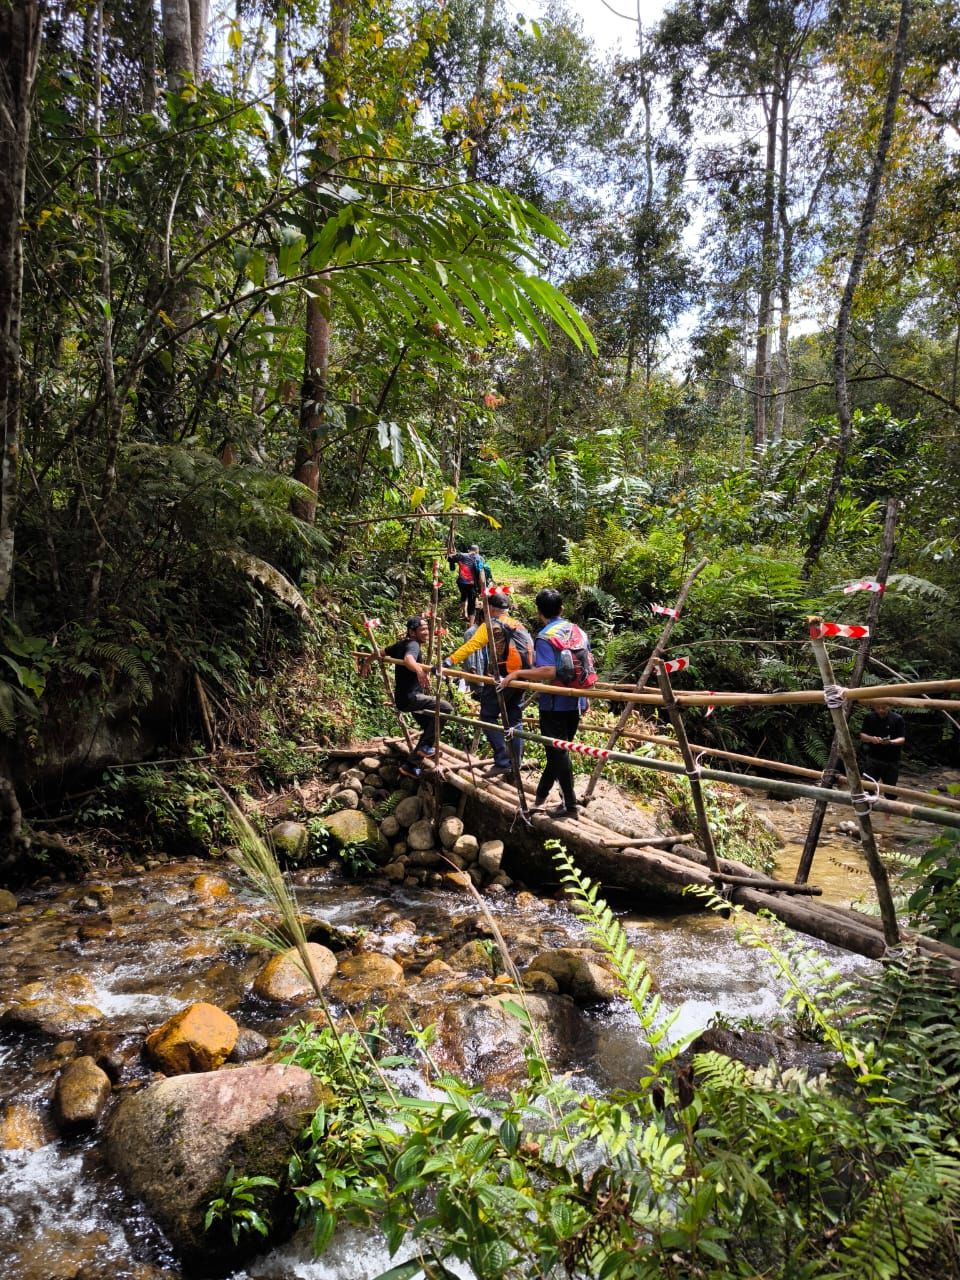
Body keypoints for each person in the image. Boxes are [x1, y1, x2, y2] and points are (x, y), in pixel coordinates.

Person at [501, 587, 591, 819]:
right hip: (575, 700)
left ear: (539, 611)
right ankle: (541, 798)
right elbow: (586, 665)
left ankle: (570, 806)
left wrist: (517, 674)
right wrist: (585, 697)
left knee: (558, 754)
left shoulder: (545, 637)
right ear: (562, 608)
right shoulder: (577, 631)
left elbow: (549, 671)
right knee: (558, 754)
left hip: (554, 704)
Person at [444, 592, 533, 780]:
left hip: (503, 678)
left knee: (487, 716)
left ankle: (502, 761)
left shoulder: (491, 625)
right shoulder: (518, 625)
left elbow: (471, 645)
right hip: (522, 678)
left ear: (490, 609)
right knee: (514, 720)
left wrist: (449, 661)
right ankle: (515, 762)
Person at [384, 617, 453, 781]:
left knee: (430, 727)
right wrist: (420, 671)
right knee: (445, 708)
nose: (426, 632)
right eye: (422, 629)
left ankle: (411, 765)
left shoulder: (400, 644)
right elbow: (409, 660)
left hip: (402, 699)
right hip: (411, 698)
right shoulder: (413, 645)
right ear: (412, 632)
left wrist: (367, 663)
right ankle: (425, 747)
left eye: (427, 629)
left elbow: (380, 652)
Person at [859, 700, 906, 798]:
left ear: (889, 706)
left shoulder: (897, 719)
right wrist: (872, 739)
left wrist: (891, 742)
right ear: (874, 707)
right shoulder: (869, 717)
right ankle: (867, 809)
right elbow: (862, 735)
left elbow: (902, 739)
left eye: (884, 708)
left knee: (890, 790)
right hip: (873, 758)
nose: (881, 710)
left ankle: (888, 813)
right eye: (878, 708)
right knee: (868, 787)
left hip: (892, 761)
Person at [447, 543, 490, 622]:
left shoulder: (461, 555)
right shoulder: (480, 558)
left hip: (461, 582)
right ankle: (471, 623)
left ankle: (463, 613)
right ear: (478, 551)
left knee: (463, 596)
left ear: (468, 550)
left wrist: (453, 554)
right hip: (472, 584)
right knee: (472, 603)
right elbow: (483, 573)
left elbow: (449, 558)